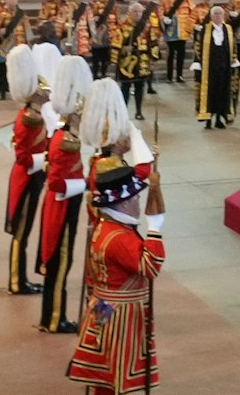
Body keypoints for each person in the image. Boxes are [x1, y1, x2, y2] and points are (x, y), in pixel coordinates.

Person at [65, 155, 166, 395]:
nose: (138, 202)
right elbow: (150, 266)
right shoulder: (119, 237)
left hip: (105, 308)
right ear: (123, 203)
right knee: (115, 377)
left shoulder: (106, 228)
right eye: (135, 198)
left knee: (104, 377)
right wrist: (154, 229)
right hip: (121, 316)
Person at [38, 55, 93, 332]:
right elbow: (59, 184)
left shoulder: (65, 137)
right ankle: (54, 318)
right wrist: (87, 184)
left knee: (62, 262)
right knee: (61, 262)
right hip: (62, 207)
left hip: (63, 204)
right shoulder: (66, 142)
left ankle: (52, 316)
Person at [4, 44, 50, 296]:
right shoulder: (28, 119)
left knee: (25, 230)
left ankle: (20, 279)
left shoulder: (34, 116)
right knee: (21, 232)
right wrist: (47, 160)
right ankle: (16, 281)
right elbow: (22, 157)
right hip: (26, 179)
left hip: (34, 177)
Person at [111, 0, 161, 121]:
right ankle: (124, 112)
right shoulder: (122, 27)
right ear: (129, 12)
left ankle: (139, 111)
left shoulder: (146, 27)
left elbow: (153, 42)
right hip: (127, 64)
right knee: (125, 88)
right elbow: (115, 44)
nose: (138, 14)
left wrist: (153, 58)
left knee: (140, 87)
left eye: (140, 11)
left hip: (142, 62)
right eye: (135, 11)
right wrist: (123, 49)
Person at [191, 6, 240, 129]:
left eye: (220, 14)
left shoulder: (228, 29)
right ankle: (208, 119)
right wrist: (198, 62)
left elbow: (233, 46)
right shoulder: (205, 29)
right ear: (211, 16)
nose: (218, 16)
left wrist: (234, 60)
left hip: (224, 67)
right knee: (210, 92)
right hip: (209, 67)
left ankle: (219, 118)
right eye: (215, 14)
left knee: (222, 92)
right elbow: (198, 46)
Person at [0, 0, 36, 100]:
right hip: (4, 46)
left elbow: (28, 29)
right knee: (3, 70)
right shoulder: (0, 14)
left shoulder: (22, 15)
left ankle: (20, 91)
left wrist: (29, 44)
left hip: (19, 45)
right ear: (6, 0)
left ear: (17, 0)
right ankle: (2, 91)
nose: (12, 0)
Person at [158, 0, 195, 84]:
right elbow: (160, 11)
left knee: (181, 53)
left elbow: (193, 12)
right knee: (170, 53)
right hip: (171, 29)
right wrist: (163, 18)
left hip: (183, 30)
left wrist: (191, 25)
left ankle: (180, 75)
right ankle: (169, 76)